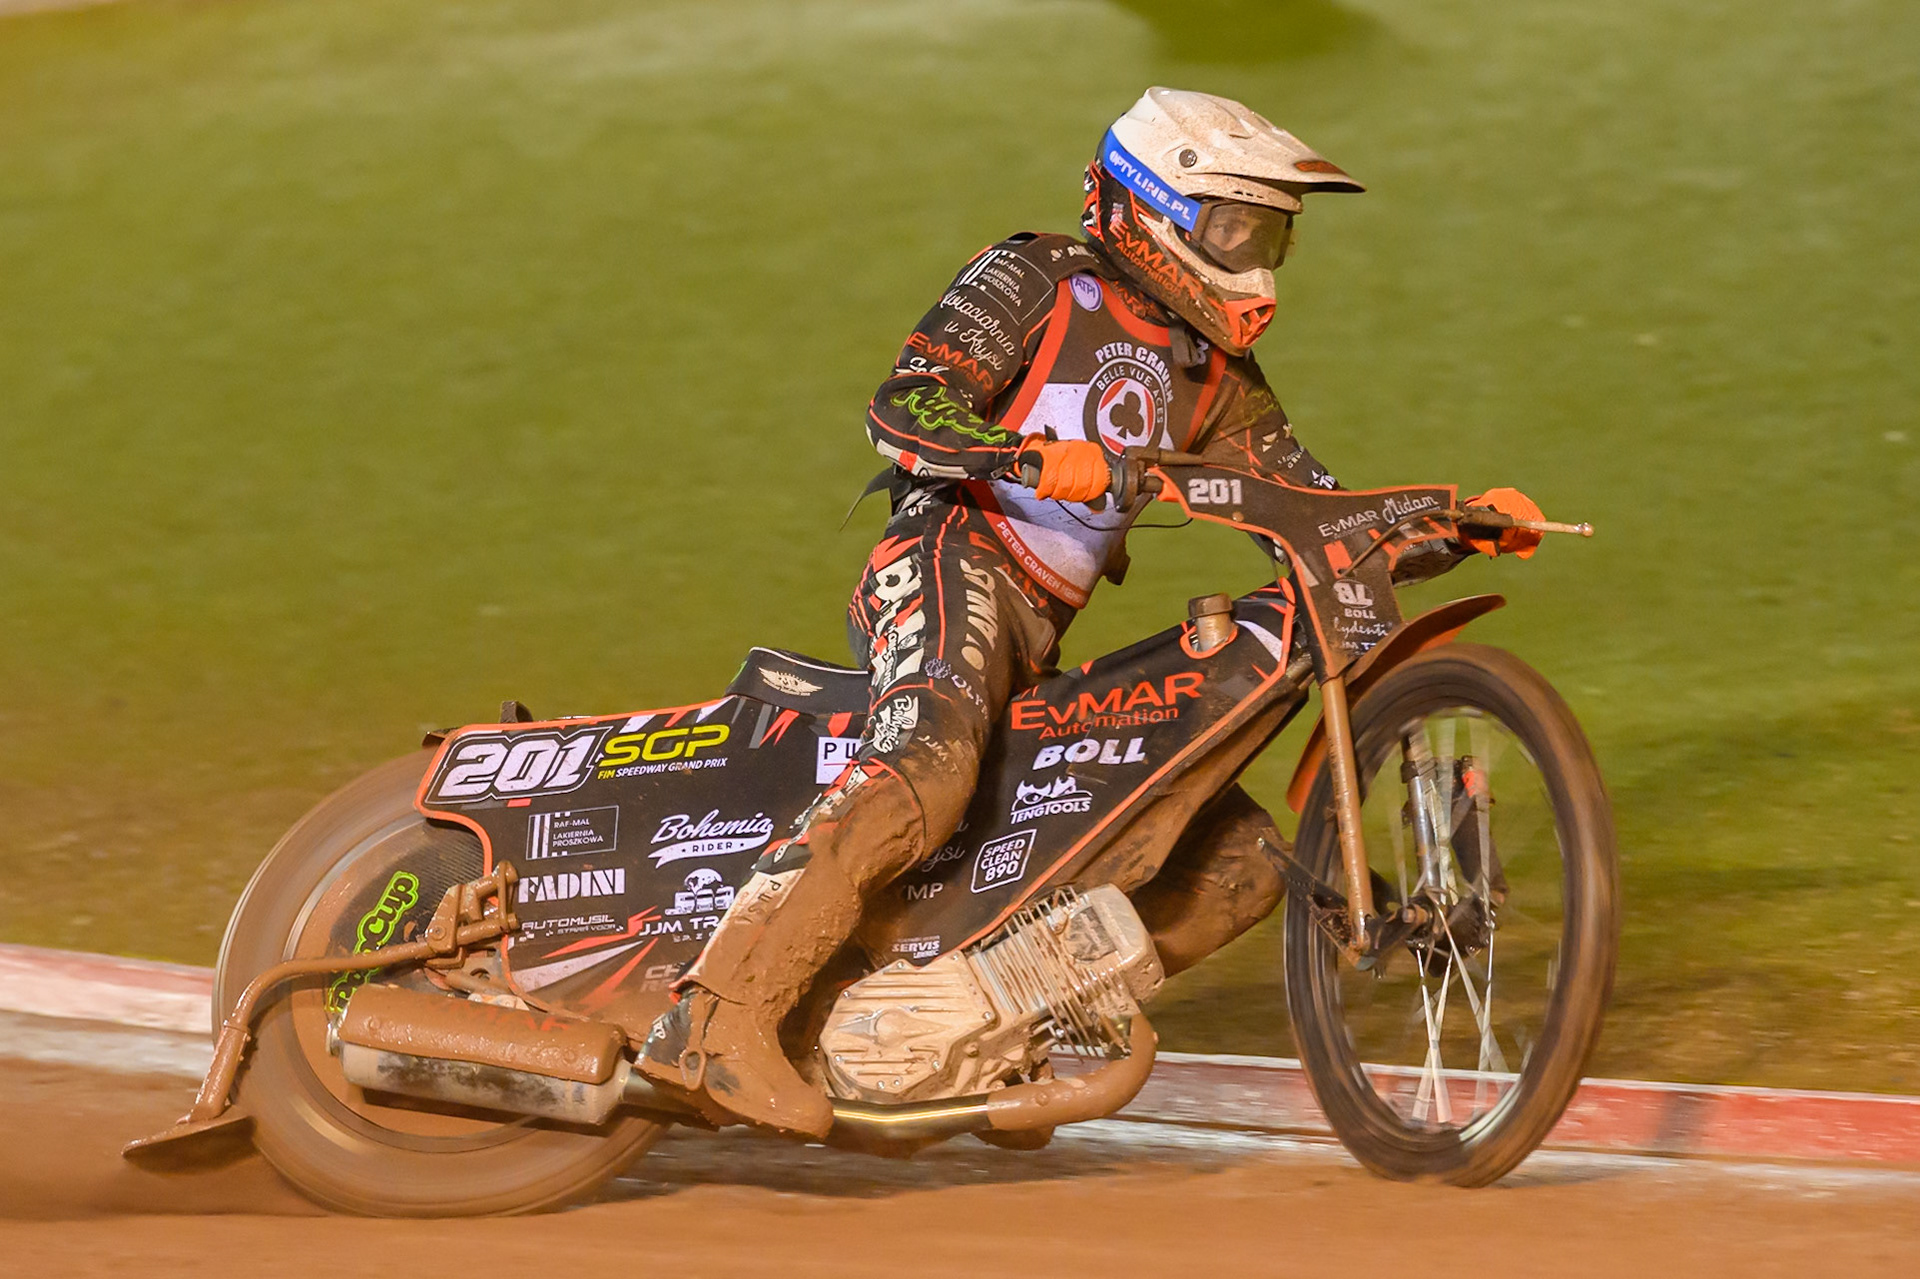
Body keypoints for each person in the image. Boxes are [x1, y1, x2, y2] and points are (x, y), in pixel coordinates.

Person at [638, 87, 1544, 1135]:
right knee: (930, 764)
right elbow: (906, 403)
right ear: (1150, 209)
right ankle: (713, 1021)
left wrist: (1447, 523)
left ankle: (987, 1034)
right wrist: (1022, 454)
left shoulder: (1220, 379)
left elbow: (1311, 515)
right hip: (949, 556)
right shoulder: (1036, 277)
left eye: (1270, 235)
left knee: (1241, 864)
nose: (1254, 259)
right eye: (1234, 227)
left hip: (1039, 626)